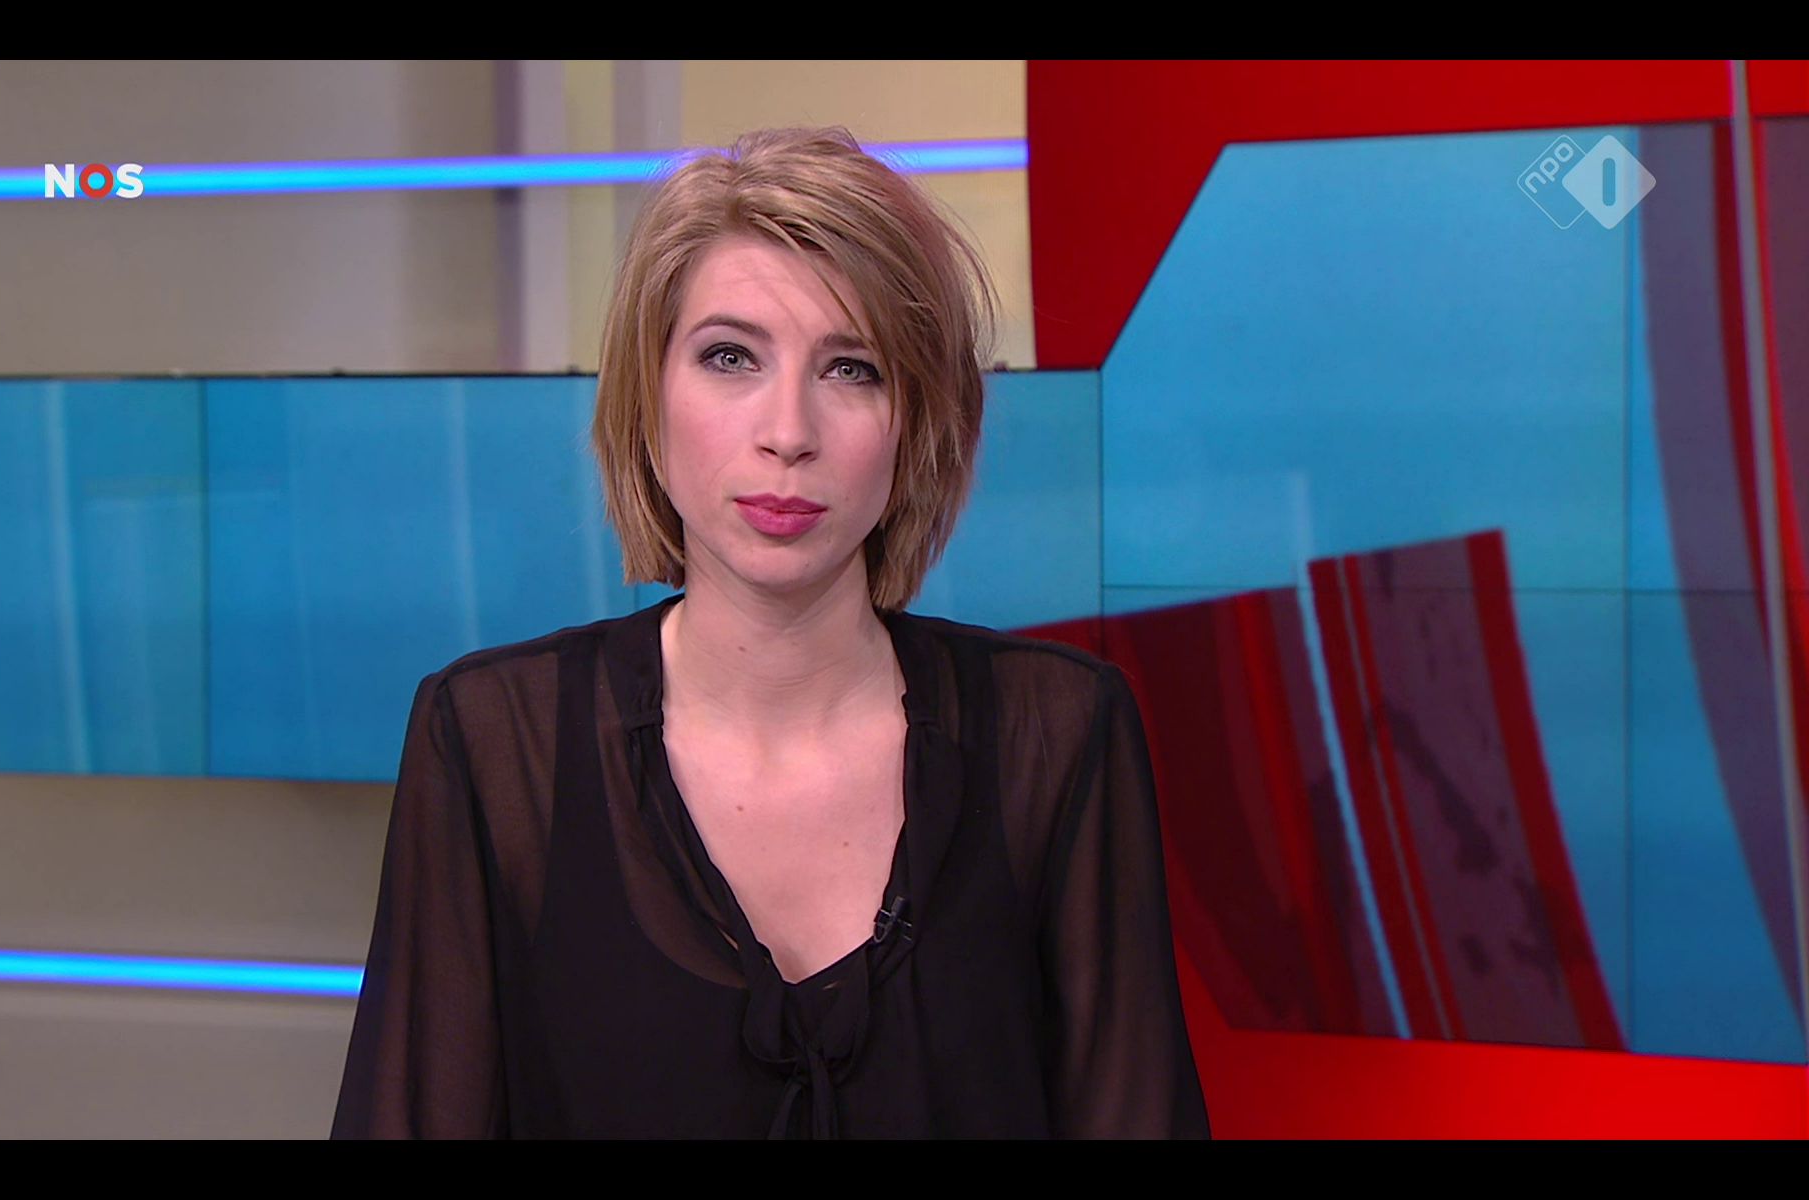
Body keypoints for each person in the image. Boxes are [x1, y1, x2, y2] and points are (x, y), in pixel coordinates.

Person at [330, 125, 1210, 1140]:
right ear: (650, 396)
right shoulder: (495, 744)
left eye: (853, 369)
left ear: (919, 422)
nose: (788, 432)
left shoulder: (1053, 736)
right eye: (730, 357)